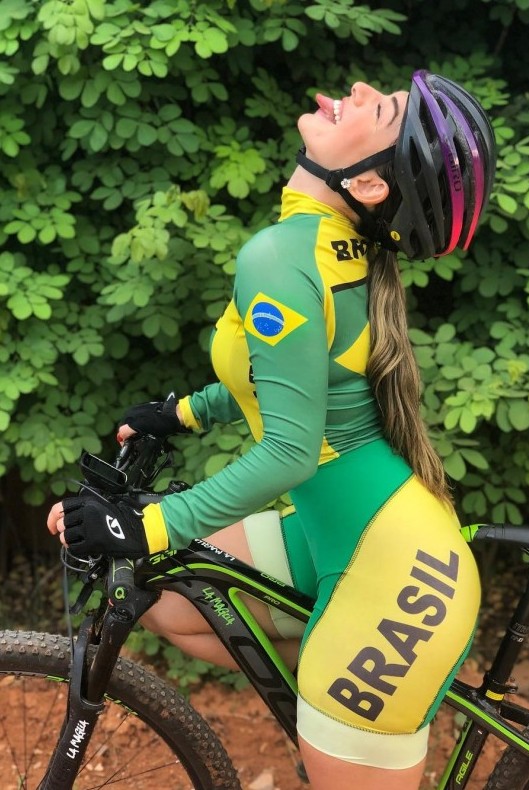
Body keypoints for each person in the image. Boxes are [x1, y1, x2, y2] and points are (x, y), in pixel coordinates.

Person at [48, 69, 496, 790]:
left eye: (379, 107)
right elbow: (298, 380)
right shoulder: (322, 248)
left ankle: (347, 721)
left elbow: (290, 452)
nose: (357, 86)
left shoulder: (284, 257)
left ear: (371, 185)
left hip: (396, 576)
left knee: (160, 558)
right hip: (360, 541)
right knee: (172, 602)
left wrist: (147, 525)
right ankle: (337, 709)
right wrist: (185, 412)